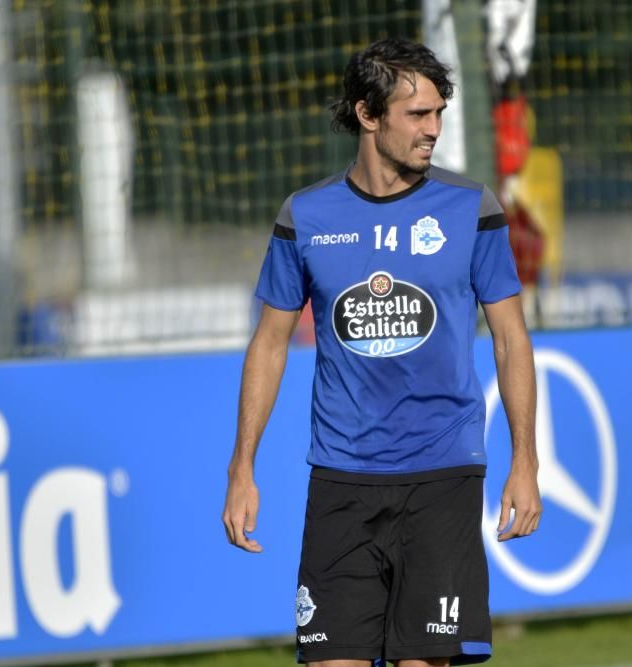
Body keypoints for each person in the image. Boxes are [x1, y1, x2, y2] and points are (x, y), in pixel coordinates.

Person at [222, 37, 541, 667]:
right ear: (369, 115)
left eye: (438, 113)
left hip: (443, 476)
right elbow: (268, 344)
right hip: (341, 480)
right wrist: (242, 467)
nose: (433, 130)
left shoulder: (469, 208)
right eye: (417, 115)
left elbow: (511, 336)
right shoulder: (305, 217)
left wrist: (524, 460)